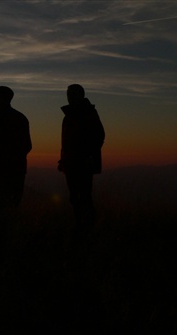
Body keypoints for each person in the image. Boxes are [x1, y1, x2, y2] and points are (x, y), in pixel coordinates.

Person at [58, 84, 105, 229]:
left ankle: (86, 226)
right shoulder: (70, 115)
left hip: (82, 163)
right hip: (71, 162)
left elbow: (99, 136)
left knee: (83, 197)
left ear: (80, 95)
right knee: (75, 197)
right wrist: (63, 159)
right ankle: (80, 224)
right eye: (68, 94)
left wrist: (87, 156)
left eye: (72, 94)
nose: (69, 97)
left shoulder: (88, 113)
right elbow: (67, 142)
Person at [0, 86, 32, 219]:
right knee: (11, 207)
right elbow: (27, 146)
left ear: (2, 99)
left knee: (0, 209)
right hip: (16, 170)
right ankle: (10, 236)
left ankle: (2, 237)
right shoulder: (20, 118)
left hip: (3, 172)